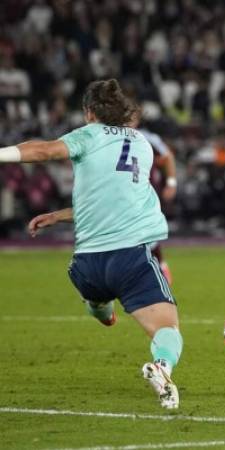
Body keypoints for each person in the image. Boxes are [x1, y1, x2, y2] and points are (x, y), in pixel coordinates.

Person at [0, 79, 183, 409]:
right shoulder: (141, 144)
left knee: (98, 298)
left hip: (85, 267)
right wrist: (58, 215)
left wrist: (56, 215)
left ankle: (102, 310)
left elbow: (42, 150)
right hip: (130, 259)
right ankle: (161, 367)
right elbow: (117, 197)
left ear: (88, 113)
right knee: (167, 329)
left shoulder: (87, 135)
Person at [137, 123, 178, 286]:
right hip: (124, 192)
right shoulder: (112, 136)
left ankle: (160, 264)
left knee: (148, 229)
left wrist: (171, 182)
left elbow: (167, 158)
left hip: (147, 192)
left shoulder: (147, 137)